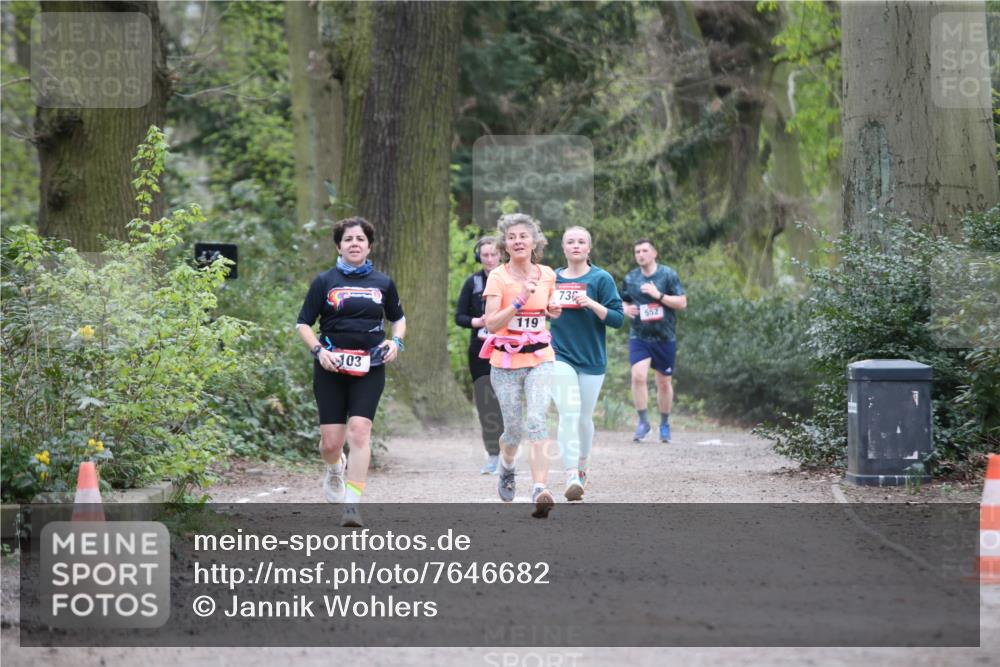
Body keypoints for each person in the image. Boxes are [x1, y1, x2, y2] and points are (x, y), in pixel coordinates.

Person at [295, 217, 405, 527]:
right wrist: (319, 351)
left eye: (360, 239)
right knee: (331, 443)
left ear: (369, 246)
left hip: (370, 365)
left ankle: (352, 505)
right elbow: (303, 324)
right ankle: (335, 467)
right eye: (348, 239)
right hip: (330, 367)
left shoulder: (383, 283)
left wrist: (396, 342)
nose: (354, 244)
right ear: (338, 246)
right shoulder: (324, 281)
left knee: (359, 430)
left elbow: (398, 318)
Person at [481, 213, 561, 518]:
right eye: (512, 237)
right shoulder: (498, 277)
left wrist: (553, 309)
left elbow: (550, 306)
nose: (518, 241)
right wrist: (518, 301)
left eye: (523, 236)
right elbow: (491, 323)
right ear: (504, 244)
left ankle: (540, 488)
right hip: (505, 362)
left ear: (534, 241)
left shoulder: (547, 274)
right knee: (513, 430)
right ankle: (507, 466)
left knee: (537, 420)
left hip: (540, 358)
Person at [549, 226, 624, 501]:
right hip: (560, 355)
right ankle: (570, 475)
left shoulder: (601, 278)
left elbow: (618, 319)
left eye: (581, 241)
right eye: (570, 241)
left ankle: (582, 468)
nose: (576, 245)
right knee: (568, 413)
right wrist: (548, 310)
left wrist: (591, 303)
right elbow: (539, 310)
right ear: (563, 247)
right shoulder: (552, 278)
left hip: (592, 358)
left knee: (583, 418)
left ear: (589, 248)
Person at [620, 238, 686, 443]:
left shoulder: (668, 275)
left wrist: (659, 295)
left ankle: (664, 423)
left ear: (654, 253)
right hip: (639, 336)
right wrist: (625, 309)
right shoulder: (631, 278)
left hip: (664, 337)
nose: (641, 255)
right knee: (638, 377)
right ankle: (643, 422)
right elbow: (623, 301)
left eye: (644, 251)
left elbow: (682, 302)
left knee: (664, 383)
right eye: (637, 252)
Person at [455, 237, 505, 474]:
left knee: (507, 400)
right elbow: (459, 316)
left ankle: (509, 451)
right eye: (485, 255)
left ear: (501, 255)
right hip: (481, 349)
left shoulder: (510, 279)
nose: (490, 259)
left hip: (508, 348)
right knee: (486, 403)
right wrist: (478, 321)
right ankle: (493, 454)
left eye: (493, 254)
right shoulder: (472, 283)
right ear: (479, 257)